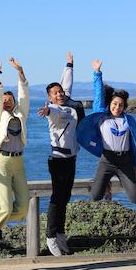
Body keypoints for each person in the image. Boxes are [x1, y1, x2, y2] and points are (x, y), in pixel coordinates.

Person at [37, 52, 85, 256]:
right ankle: (50, 237)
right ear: (49, 98)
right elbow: (55, 112)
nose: (60, 94)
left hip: (71, 159)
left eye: (60, 92)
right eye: (55, 93)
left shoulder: (67, 103)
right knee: (57, 199)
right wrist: (48, 111)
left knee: (65, 198)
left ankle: (60, 234)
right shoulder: (56, 110)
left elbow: (67, 83)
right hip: (58, 161)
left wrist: (69, 65)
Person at [76, 59, 136, 205]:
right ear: (109, 104)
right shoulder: (102, 116)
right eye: (114, 104)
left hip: (125, 161)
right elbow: (98, 94)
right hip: (107, 160)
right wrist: (97, 73)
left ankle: (112, 182)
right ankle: (106, 184)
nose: (117, 107)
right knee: (95, 196)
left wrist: (135, 164)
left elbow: (134, 144)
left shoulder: (129, 120)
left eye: (120, 105)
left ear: (124, 106)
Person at [0, 57, 30, 246]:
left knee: (24, 208)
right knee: (5, 206)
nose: (7, 102)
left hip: (19, 163)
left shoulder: (21, 114)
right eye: (5, 100)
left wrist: (20, 71)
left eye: (10, 100)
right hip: (2, 162)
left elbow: (24, 95)